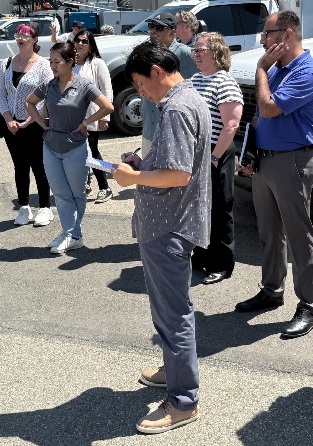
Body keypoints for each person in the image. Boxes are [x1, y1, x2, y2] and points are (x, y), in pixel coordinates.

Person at [112, 41, 211, 434]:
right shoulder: (188, 99)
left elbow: (178, 174)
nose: (140, 94)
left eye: (139, 84)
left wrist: (133, 176)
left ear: (156, 71)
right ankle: (175, 374)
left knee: (173, 313)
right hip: (169, 222)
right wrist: (144, 163)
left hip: (169, 225)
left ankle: (184, 401)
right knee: (169, 311)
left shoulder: (177, 108)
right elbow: (171, 164)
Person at [234, 11, 313, 340]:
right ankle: (272, 290)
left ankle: (310, 305)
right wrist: (248, 154)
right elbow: (260, 117)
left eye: (267, 33)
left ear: (286, 34)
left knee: (300, 236)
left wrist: (261, 69)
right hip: (266, 161)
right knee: (269, 232)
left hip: (292, 162)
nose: (262, 40)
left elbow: (270, 107)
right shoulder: (279, 69)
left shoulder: (308, 71)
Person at [24, 42, 113, 254]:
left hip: (75, 148)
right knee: (61, 195)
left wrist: (86, 123)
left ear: (70, 62)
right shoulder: (48, 85)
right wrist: (41, 123)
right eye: (50, 61)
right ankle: (71, 234)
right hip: (50, 147)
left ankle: (72, 234)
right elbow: (29, 103)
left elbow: (108, 106)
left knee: (76, 194)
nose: (53, 66)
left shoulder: (83, 85)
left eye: (57, 62)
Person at [189, 32, 242, 284]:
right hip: (199, 156)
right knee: (201, 209)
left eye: (201, 50)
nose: (196, 54)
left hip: (217, 154)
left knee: (220, 210)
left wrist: (213, 156)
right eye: (195, 51)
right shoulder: (196, 79)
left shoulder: (224, 82)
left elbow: (231, 124)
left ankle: (221, 264)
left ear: (216, 53)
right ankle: (200, 257)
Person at [0, 24, 55, 227]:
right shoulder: (6, 64)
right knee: (20, 166)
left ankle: (45, 208)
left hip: (34, 124)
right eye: (18, 34)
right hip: (10, 125)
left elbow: (48, 95)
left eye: (25, 34)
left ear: (34, 39)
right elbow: (1, 95)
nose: (20, 38)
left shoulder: (42, 65)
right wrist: (8, 120)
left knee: (39, 166)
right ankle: (24, 207)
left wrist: (31, 119)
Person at [140, 12, 197, 154]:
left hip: (171, 129)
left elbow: (198, 86)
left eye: (159, 28)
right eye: (151, 27)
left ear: (172, 33)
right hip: (149, 128)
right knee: (147, 172)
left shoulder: (186, 54)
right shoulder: (148, 53)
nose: (153, 31)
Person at [71, 28, 115, 204]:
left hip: (92, 115)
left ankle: (105, 186)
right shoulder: (70, 63)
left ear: (90, 46)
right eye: (77, 40)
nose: (80, 44)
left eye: (84, 41)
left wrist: (105, 118)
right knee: (75, 152)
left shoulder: (97, 64)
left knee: (92, 152)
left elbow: (106, 90)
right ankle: (84, 183)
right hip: (72, 116)